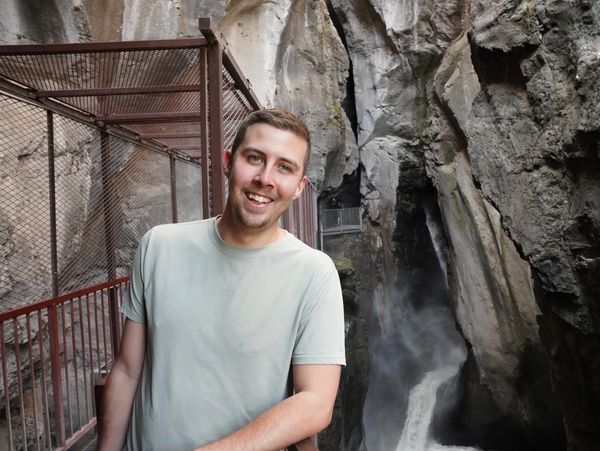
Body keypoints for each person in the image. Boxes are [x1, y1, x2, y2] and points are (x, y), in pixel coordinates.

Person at [98, 108, 346, 451]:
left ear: (299, 188)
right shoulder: (158, 246)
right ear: (229, 162)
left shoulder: (314, 273)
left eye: (284, 167)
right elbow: (126, 371)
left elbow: (315, 402)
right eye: (255, 158)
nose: (265, 178)